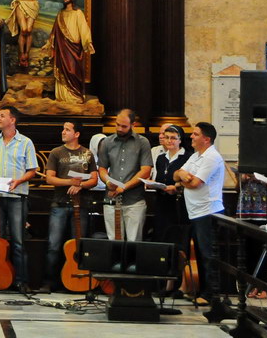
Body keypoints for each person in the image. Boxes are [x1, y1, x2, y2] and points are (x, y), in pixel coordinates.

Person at [174, 122, 231, 320]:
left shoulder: (212, 157)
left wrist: (183, 180)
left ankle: (212, 294)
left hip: (209, 212)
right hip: (195, 212)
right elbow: (177, 173)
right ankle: (205, 291)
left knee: (209, 255)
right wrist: (183, 176)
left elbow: (197, 183)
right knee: (199, 253)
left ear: (206, 139)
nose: (191, 137)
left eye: (195, 134)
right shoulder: (196, 155)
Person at [0, 106, 37, 293]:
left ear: (12, 120)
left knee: (18, 240)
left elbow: (32, 170)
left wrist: (19, 180)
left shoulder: (26, 142)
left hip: (16, 197)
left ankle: (21, 280)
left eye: (2, 116)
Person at [43, 121, 98, 292]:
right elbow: (49, 178)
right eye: (63, 129)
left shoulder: (87, 153)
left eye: (67, 129)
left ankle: (81, 281)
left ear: (77, 134)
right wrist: (69, 182)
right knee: (54, 245)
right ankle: (49, 282)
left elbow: (94, 179)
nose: (63, 132)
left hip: (82, 205)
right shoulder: (56, 152)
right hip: (59, 203)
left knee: (79, 244)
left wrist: (80, 185)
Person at [97, 109, 152, 241]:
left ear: (133, 125)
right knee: (114, 240)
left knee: (134, 240)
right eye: (117, 124)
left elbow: (145, 170)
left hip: (134, 200)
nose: (119, 128)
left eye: (124, 126)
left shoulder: (142, 142)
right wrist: (109, 183)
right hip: (111, 199)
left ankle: (132, 262)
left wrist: (124, 186)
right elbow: (102, 169)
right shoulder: (107, 142)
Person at [42, 0, 94, 102]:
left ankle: (75, 96)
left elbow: (83, 28)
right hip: (62, 48)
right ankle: (62, 96)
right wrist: (48, 44)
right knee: (62, 70)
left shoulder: (78, 13)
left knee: (73, 71)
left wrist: (88, 42)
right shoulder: (60, 14)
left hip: (74, 48)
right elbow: (54, 32)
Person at [152, 124, 191, 250]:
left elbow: (190, 181)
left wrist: (176, 187)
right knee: (160, 236)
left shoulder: (187, 157)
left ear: (180, 140)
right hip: (161, 202)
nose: (169, 141)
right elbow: (159, 177)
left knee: (176, 238)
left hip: (179, 204)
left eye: (173, 138)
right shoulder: (161, 158)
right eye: (167, 137)